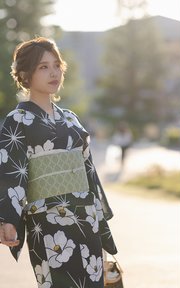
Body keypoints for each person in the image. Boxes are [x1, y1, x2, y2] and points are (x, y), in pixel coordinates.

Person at [0, 37, 117, 287]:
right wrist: (7, 219)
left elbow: (90, 175)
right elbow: (11, 173)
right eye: (43, 67)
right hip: (49, 226)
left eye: (57, 65)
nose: (53, 72)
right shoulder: (17, 120)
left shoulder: (72, 121)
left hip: (86, 219)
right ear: (25, 74)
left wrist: (100, 221)